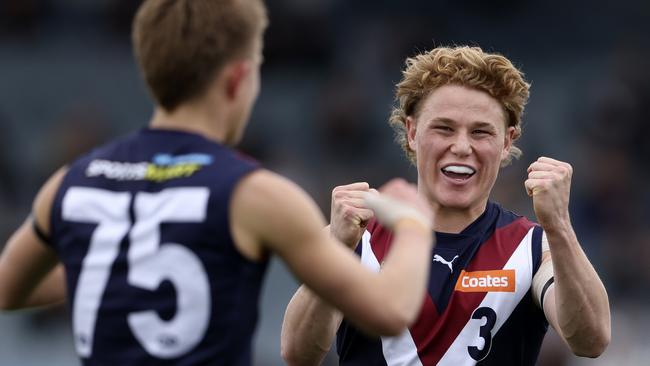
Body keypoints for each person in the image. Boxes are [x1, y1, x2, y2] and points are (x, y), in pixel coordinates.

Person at [0, 1, 437, 365]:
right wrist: (415, 225)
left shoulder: (72, 182)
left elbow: (8, 289)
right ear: (238, 78)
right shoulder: (255, 194)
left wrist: (122, 263)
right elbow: (390, 310)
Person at [281, 46, 611, 365]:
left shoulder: (533, 247)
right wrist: (338, 248)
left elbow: (591, 341)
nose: (462, 146)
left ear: (507, 141)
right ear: (412, 131)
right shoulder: (356, 235)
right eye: (444, 128)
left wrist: (560, 227)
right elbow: (298, 353)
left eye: (481, 132)